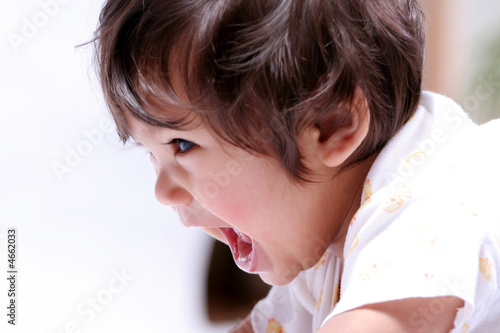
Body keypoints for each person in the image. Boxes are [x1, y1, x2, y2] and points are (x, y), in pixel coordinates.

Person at [92, 0, 500, 332]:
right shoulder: (323, 235)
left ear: (331, 126)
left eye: (182, 144)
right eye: (150, 153)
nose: (162, 192)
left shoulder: (426, 209)